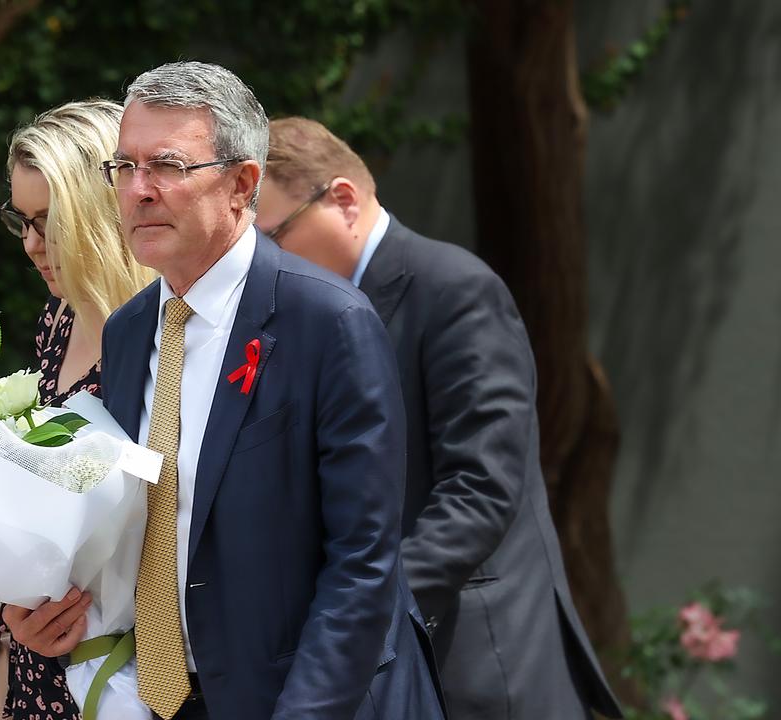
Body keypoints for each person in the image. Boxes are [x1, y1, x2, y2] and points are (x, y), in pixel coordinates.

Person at [6, 62, 445, 720]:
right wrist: (44, 605)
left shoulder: (328, 323)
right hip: (166, 698)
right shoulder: (128, 334)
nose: (139, 191)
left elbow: (363, 564)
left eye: (168, 166)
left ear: (242, 184)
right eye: (124, 168)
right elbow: (131, 530)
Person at [255, 116, 624, 720]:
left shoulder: (453, 288)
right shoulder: (301, 319)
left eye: (274, 236)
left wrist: (366, 610)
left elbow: (482, 487)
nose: (264, 262)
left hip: (476, 657)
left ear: (343, 200)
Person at [0, 99, 153, 719]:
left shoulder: (163, 330)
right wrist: (18, 605)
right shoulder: (57, 321)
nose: (33, 244)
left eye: (49, 220)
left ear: (101, 209)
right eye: (22, 221)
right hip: (49, 657)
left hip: (136, 666)